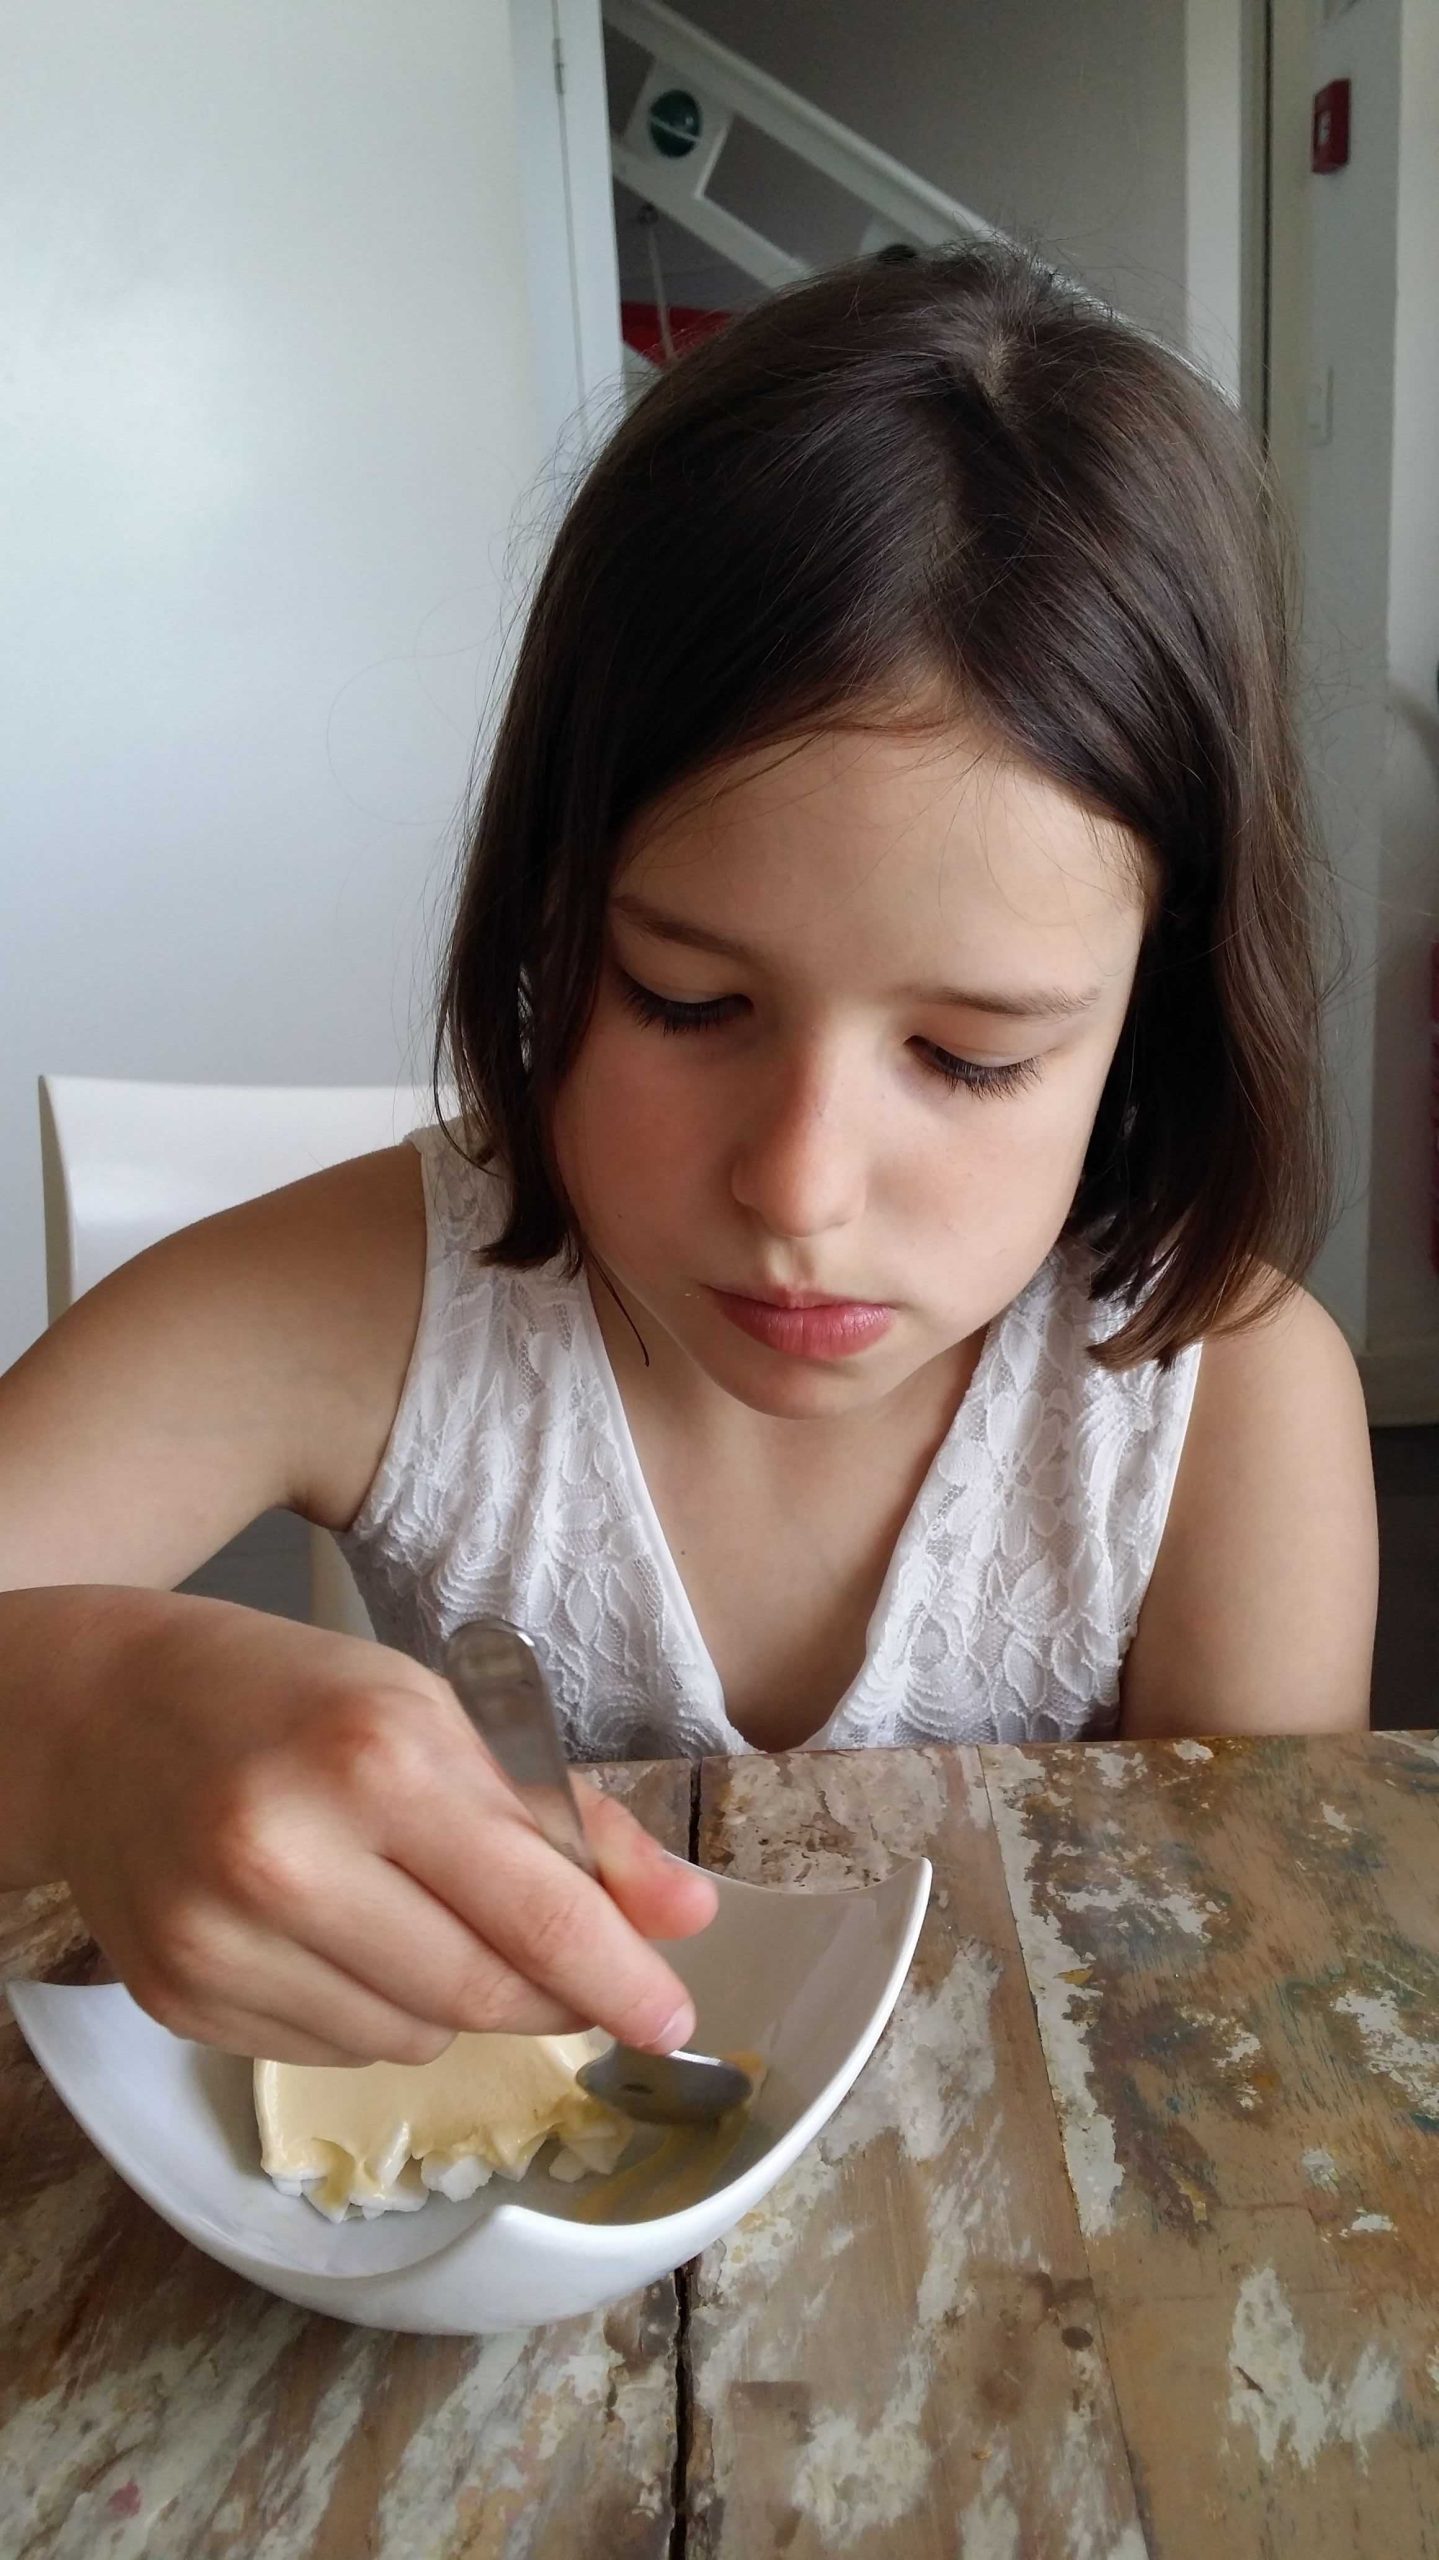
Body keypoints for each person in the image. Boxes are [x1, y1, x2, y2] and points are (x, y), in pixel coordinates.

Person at [0, 248, 1376, 2078]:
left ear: (1156, 1009)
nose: (800, 1191)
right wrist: (86, 1714)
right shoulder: (375, 1303)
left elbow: (1253, 2008)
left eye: (971, 1057)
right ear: (549, 907)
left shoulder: (1224, 1410)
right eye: (685, 999)